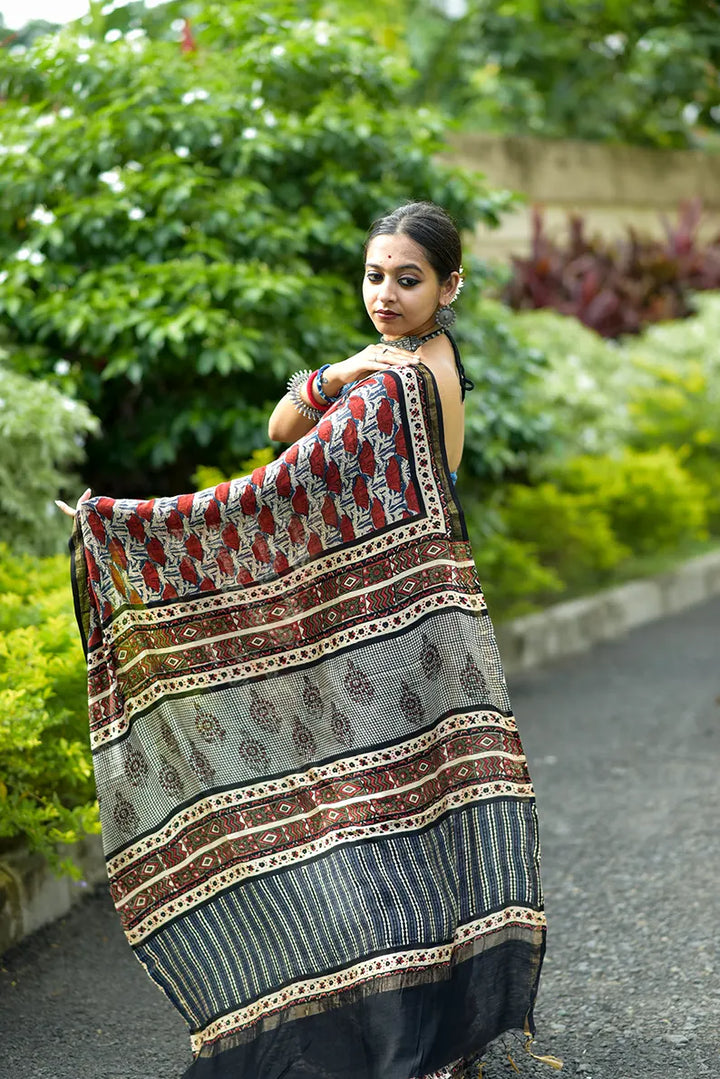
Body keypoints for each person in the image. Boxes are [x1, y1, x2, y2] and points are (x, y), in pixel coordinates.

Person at [59, 201, 548, 1079]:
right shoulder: (407, 362)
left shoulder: (401, 381)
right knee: (410, 808)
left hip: (393, 624)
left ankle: (405, 1036)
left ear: (450, 286)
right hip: (419, 606)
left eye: (409, 279)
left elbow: (279, 478)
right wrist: (346, 365)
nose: (386, 294)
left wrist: (130, 527)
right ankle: (435, 1030)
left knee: (369, 811)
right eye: (375, 275)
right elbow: (285, 425)